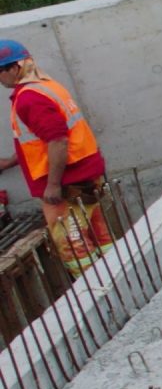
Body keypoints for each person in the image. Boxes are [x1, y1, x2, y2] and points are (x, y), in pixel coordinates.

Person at [1, 41, 113, 275]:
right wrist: (11, 161)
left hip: (66, 185)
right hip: (85, 175)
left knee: (74, 245)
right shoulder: (47, 86)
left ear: (14, 68)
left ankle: (96, 287)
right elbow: (40, 139)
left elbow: (57, 141)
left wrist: (52, 185)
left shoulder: (29, 98)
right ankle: (118, 271)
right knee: (98, 233)